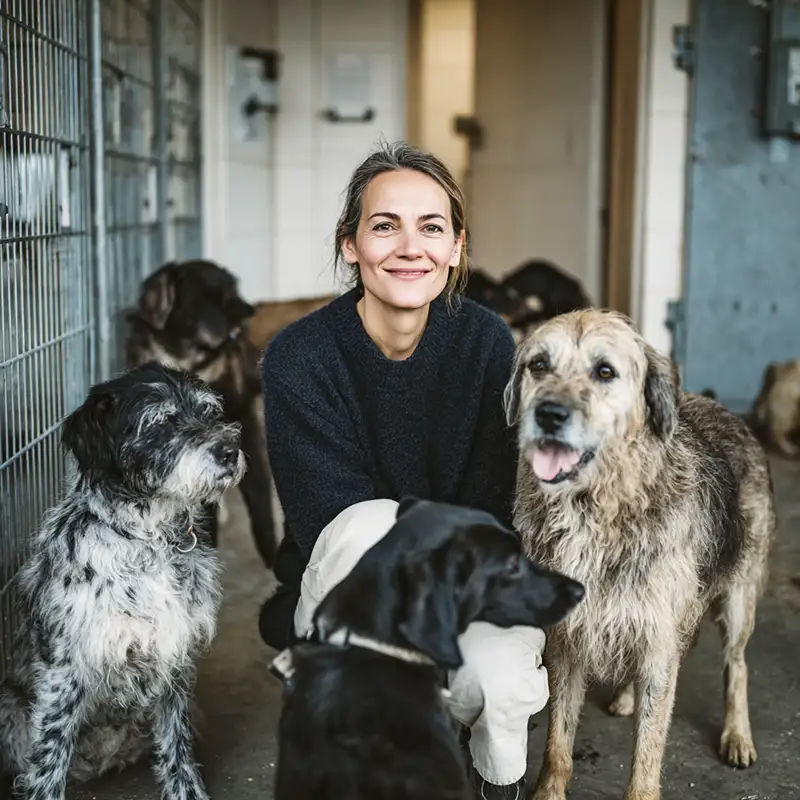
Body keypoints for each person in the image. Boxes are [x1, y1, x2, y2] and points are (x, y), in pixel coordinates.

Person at [258, 140, 548, 799]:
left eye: (432, 227)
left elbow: (491, 506)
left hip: (463, 575)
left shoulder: (485, 342)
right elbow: (331, 521)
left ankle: (491, 783)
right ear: (350, 245)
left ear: (456, 249)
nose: (410, 247)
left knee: (497, 680)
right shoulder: (298, 357)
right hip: (351, 575)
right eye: (385, 226)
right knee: (366, 531)